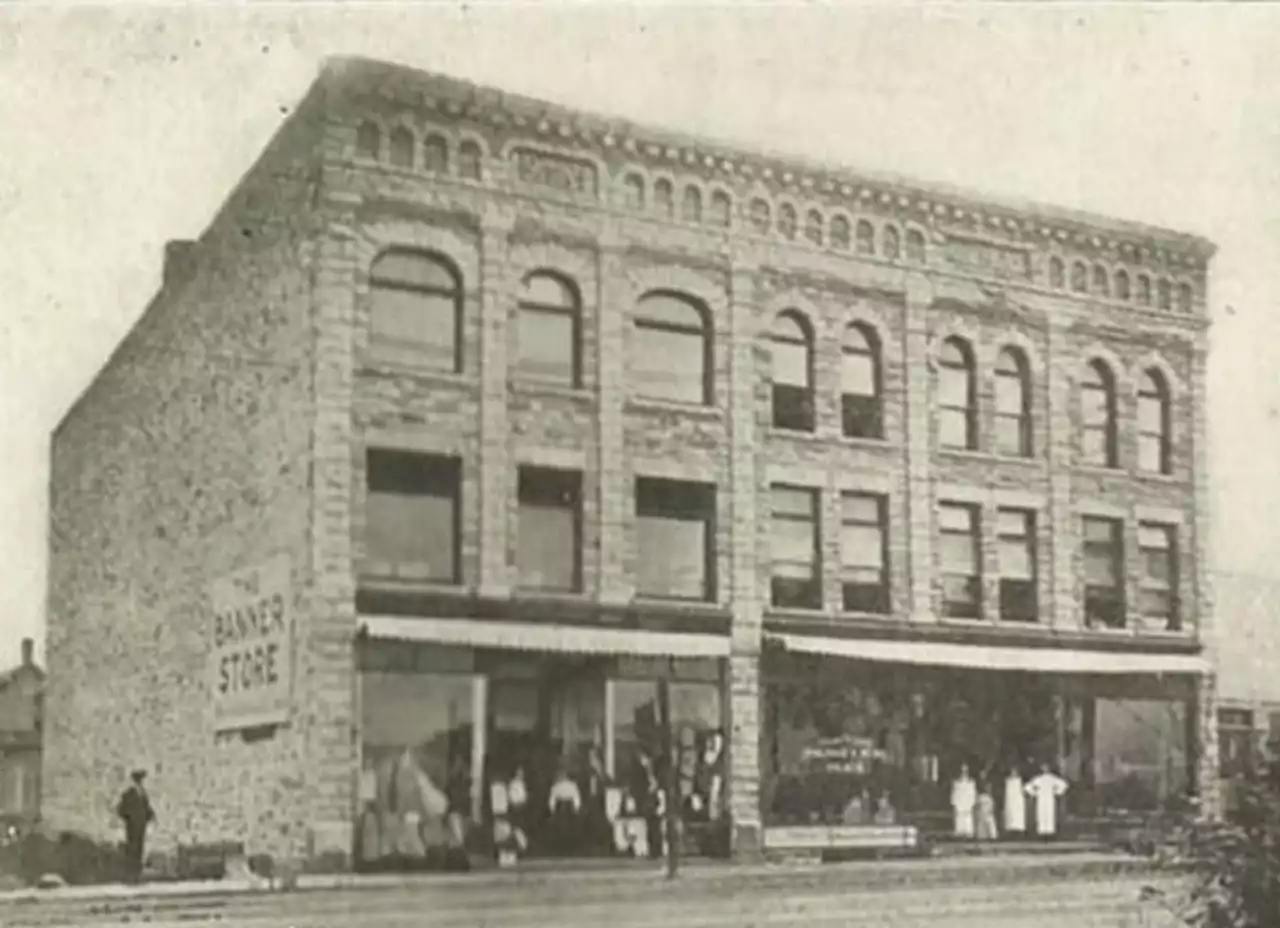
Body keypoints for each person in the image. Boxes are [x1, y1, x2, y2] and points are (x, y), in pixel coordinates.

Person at [116, 770, 156, 884]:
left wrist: (149, 817)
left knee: (139, 850)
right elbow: (121, 810)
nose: (141, 782)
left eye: (141, 780)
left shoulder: (143, 793)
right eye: (139, 779)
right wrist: (129, 819)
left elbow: (146, 808)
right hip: (132, 827)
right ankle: (130, 877)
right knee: (132, 851)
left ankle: (137, 876)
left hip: (141, 826)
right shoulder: (128, 794)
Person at [1024, 762, 1070, 840]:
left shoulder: (1052, 778)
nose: (1045, 769)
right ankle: (1042, 833)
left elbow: (1064, 785)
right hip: (1041, 798)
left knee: (1049, 813)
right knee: (1041, 814)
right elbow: (1027, 787)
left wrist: (1056, 792)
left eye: (1046, 767)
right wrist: (1035, 793)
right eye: (1043, 767)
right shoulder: (1038, 778)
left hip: (1049, 798)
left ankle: (1050, 833)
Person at [950, 763, 976, 838]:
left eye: (965, 771)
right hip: (959, 809)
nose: (963, 774)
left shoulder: (971, 783)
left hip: (967, 809)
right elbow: (954, 797)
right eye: (962, 771)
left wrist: (970, 805)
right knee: (959, 827)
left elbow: (972, 796)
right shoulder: (956, 784)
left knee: (968, 828)